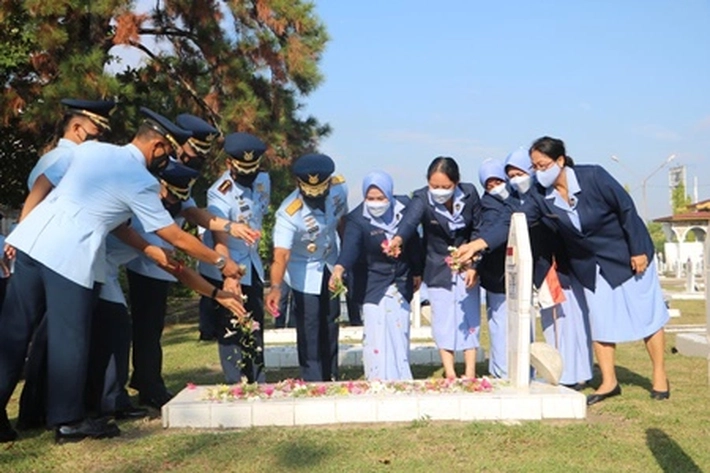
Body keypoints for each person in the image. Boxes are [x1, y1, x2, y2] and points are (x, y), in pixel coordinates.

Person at [0, 107, 244, 444]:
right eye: (168, 152)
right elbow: (174, 235)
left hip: (31, 243)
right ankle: (68, 421)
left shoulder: (91, 150)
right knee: (69, 340)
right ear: (157, 146)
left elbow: (109, 216)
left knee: (13, 334)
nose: (167, 160)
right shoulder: (141, 181)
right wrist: (221, 262)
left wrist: (146, 249)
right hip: (67, 256)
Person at [86, 160, 247, 419]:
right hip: (92, 265)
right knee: (112, 331)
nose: (173, 205)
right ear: (159, 188)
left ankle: (111, 401)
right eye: (170, 197)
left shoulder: (165, 210)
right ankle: (102, 402)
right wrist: (218, 291)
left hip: (107, 271)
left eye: (178, 201)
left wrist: (228, 227)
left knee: (117, 331)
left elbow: (191, 216)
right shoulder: (148, 224)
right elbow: (179, 269)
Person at [527, 136, 669, 405]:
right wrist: (481, 242)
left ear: (559, 160)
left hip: (626, 256)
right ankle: (609, 381)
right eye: (534, 167)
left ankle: (660, 375)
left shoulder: (593, 176)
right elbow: (520, 217)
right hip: (590, 267)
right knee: (601, 322)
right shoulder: (540, 194)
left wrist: (638, 249)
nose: (538, 172)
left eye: (543, 165)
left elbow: (626, 209)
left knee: (646, 315)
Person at [504, 148, 592, 389]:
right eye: (510, 175)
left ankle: (571, 374)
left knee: (567, 322)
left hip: (558, 267)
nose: (516, 179)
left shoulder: (542, 195)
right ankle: (568, 372)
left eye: (520, 172)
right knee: (555, 324)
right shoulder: (513, 200)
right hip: (543, 269)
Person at [387, 157, 481, 379]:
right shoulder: (421, 197)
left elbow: (478, 227)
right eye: (434, 186)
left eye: (446, 187)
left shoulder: (470, 194)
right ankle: (449, 372)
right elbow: (410, 222)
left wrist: (474, 262)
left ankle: (470, 371)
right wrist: (398, 239)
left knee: (470, 317)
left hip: (468, 263)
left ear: (456, 182)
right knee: (443, 320)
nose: (439, 191)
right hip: (438, 266)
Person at [329, 171, 422, 380]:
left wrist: (417, 271)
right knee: (376, 333)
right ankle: (378, 378)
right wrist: (339, 269)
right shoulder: (356, 219)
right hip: (372, 282)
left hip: (401, 279)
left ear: (390, 195)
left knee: (399, 330)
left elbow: (414, 242)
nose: (376, 203)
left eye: (381, 199)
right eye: (370, 199)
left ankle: (401, 378)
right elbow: (350, 248)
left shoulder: (404, 209)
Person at [265, 153, 348, 382]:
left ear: (329, 183)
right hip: (303, 271)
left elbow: (343, 222)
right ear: (299, 185)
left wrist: (345, 261)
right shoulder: (288, 213)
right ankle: (313, 377)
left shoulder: (339, 190)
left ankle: (331, 373)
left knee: (331, 320)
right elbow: (281, 255)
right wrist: (275, 287)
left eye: (320, 193)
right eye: (309, 195)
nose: (315, 199)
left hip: (331, 263)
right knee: (310, 325)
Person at [198, 132, 270, 384]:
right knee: (232, 325)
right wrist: (229, 276)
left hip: (252, 263)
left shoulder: (263, 180)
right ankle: (235, 382)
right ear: (229, 164)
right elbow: (220, 238)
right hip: (225, 264)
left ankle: (258, 379)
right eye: (243, 170)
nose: (249, 176)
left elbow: (259, 212)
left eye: (253, 169)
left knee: (255, 323)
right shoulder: (219, 192)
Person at [474, 158, 516, 378]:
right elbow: (492, 231)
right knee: (500, 324)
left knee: (519, 324)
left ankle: (520, 368)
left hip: (518, 271)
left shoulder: (519, 199)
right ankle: (501, 370)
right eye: (488, 185)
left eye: (498, 181)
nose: (494, 188)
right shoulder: (488, 206)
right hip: (496, 273)